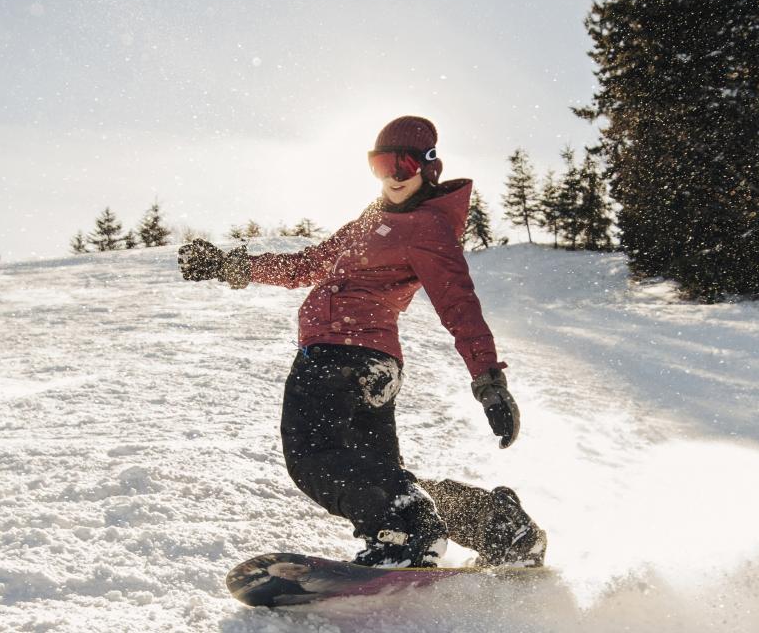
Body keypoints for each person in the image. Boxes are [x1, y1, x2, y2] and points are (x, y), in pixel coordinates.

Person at [177, 115, 547, 569]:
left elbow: (459, 305)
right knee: (382, 479)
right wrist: (230, 267)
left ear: (429, 167)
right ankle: (498, 526)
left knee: (314, 459)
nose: (391, 176)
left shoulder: (426, 226)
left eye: (403, 165)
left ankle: (406, 530)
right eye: (380, 164)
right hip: (372, 366)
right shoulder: (371, 219)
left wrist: (488, 380)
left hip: (339, 357)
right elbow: (305, 266)